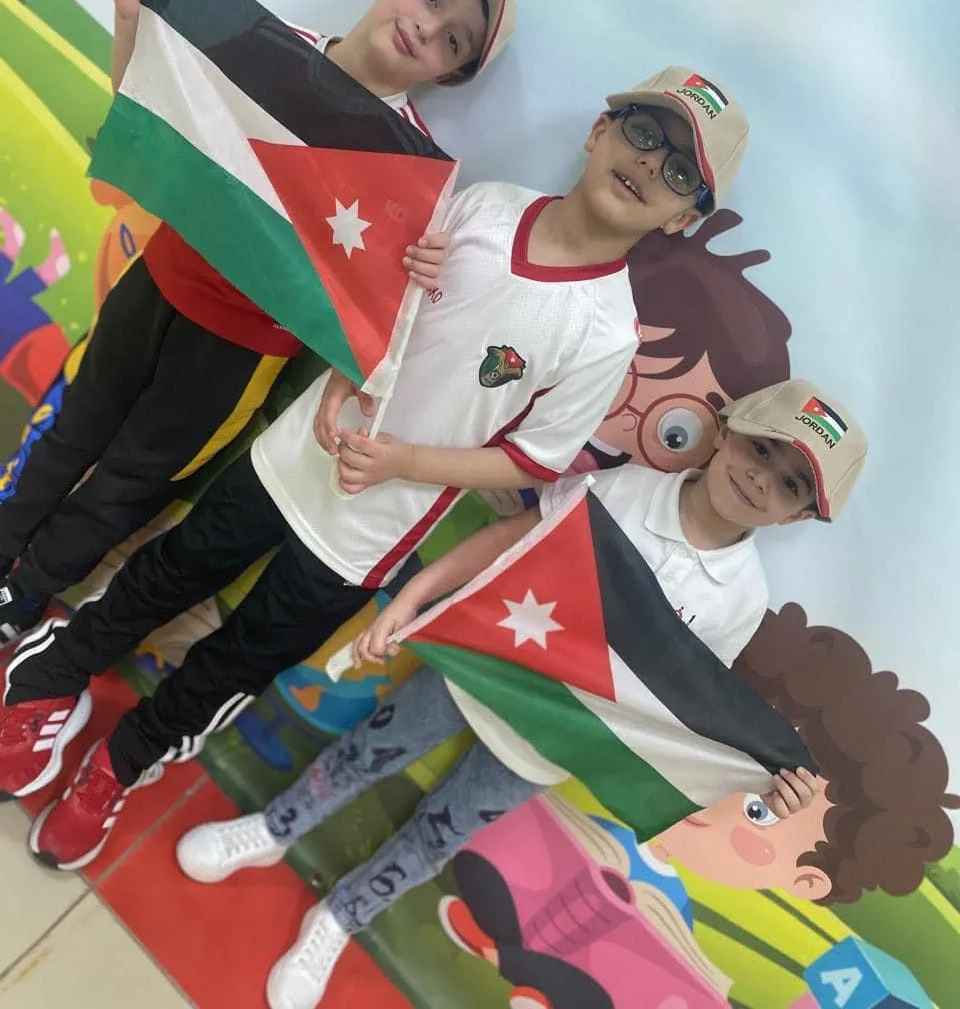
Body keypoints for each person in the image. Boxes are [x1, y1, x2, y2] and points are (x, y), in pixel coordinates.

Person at [0, 66, 749, 884]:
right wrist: (340, 376)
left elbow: (530, 460)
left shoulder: (607, 334)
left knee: (240, 659)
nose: (648, 164)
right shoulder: (482, 206)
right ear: (599, 130)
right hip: (292, 460)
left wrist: (406, 462)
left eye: (679, 171)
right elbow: (377, 304)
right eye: (644, 133)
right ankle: (52, 678)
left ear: (682, 217)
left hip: (367, 537)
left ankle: (121, 764)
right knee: (168, 571)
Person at [172, 376, 860, 1009]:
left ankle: (342, 915)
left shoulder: (742, 599)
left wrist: (766, 791)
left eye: (791, 482)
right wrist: (413, 600)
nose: (761, 477)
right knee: (365, 753)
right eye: (762, 448)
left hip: (549, 744)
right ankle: (276, 827)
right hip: (479, 669)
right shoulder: (625, 491)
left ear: (799, 515)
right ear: (726, 430)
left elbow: (689, 714)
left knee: (442, 832)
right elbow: (514, 538)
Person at [0, 0, 516, 644]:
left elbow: (387, 311)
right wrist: (129, 17)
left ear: (449, 74)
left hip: (237, 355)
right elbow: (146, 117)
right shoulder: (259, 48)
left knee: (129, 481)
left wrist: (423, 271)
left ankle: (21, 597)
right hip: (154, 281)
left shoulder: (417, 180)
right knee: (70, 428)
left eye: (452, 40)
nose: (428, 27)